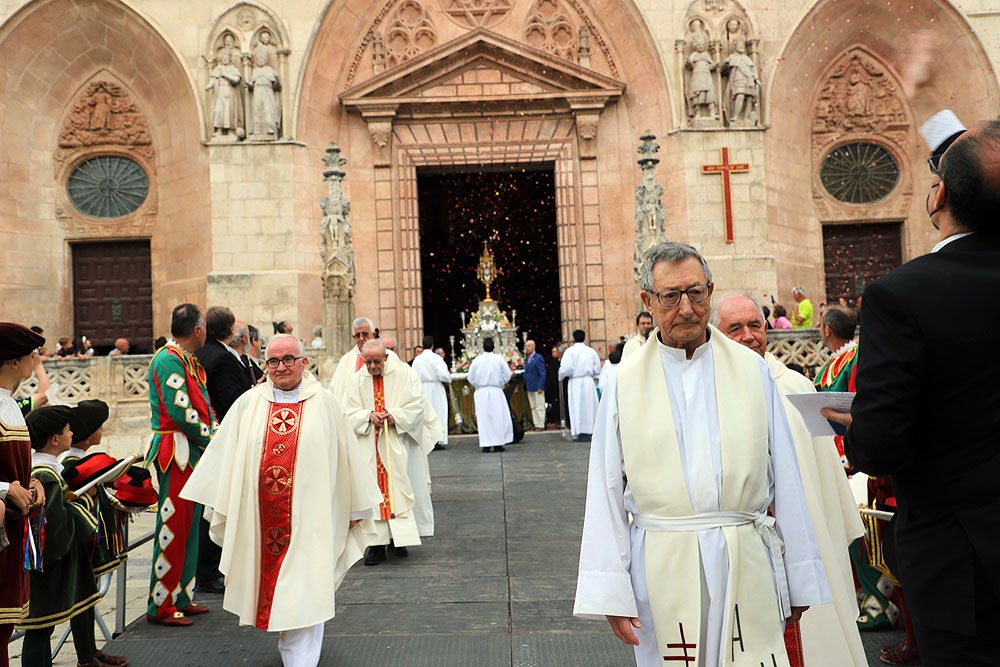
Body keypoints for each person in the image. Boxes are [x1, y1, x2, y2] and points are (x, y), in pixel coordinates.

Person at [574, 242, 829, 667]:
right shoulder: (624, 381)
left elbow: (785, 474)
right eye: (670, 297)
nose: (686, 309)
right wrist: (610, 589)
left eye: (695, 293)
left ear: (710, 291)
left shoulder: (752, 371)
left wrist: (798, 576)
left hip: (744, 557)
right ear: (648, 302)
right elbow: (604, 489)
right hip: (660, 564)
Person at [829, 111, 1000, 663]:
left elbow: (881, 446)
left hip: (958, 558)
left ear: (940, 196)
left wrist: (859, 428)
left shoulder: (903, 294)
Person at [180, 334, 381, 666]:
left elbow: (347, 457)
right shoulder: (249, 404)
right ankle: (291, 646)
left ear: (303, 362)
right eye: (273, 361)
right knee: (284, 591)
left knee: (308, 587)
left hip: (312, 518)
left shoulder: (325, 403)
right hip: (261, 522)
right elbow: (225, 456)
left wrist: (356, 506)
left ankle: (300, 658)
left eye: (289, 359)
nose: (281, 367)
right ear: (265, 366)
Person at [712, 293, 867, 666]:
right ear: (715, 335)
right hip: (739, 548)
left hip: (803, 540)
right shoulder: (708, 392)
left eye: (755, 325)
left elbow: (825, 476)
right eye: (735, 328)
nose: (749, 336)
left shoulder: (796, 386)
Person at [20, 405, 128, 667]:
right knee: (40, 628)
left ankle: (88, 656)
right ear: (55, 439)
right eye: (68, 430)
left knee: (46, 626)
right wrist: (86, 503)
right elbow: (56, 526)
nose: (72, 434)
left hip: (58, 563)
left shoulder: (50, 469)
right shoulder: (44, 475)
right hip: (47, 568)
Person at [144, 304, 216, 626]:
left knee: (188, 528)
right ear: (198, 330)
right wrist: (212, 438)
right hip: (175, 452)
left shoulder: (184, 359)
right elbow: (180, 410)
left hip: (190, 453)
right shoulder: (168, 359)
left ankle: (182, 597)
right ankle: (161, 605)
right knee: (173, 527)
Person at [342, 339, 425, 565]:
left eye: (376, 362)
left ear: (386, 358)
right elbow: (346, 411)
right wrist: (368, 416)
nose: (371, 367)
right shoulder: (358, 379)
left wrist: (394, 415)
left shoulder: (403, 375)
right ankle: (376, 545)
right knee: (372, 492)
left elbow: (416, 405)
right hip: (368, 444)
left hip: (394, 443)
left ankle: (399, 540)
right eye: (367, 362)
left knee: (398, 488)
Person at [194, 306, 253, 595]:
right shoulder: (221, 359)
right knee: (216, 504)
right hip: (224, 438)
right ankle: (208, 572)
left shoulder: (202, 354)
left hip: (209, 438)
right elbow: (235, 402)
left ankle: (210, 569)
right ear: (230, 330)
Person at [0, 323, 47, 663]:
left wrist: (33, 484)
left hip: (14, 528)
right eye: (31, 354)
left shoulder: (10, 403)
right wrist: (5, 488)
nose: (37, 359)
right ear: (12, 362)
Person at [467, 338, 513, 453]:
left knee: (484, 418)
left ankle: (486, 444)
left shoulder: (477, 360)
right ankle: (498, 444)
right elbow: (507, 374)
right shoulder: (499, 359)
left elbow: (470, 376)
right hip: (495, 390)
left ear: (483, 347)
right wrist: (501, 382)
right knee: (497, 417)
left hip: (482, 392)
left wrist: (477, 385)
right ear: (494, 346)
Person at [558, 329, 600, 441]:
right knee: (589, 406)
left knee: (576, 406)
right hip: (588, 381)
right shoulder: (591, 351)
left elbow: (566, 368)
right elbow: (597, 368)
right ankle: (590, 430)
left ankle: (578, 431)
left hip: (575, 381)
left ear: (574, 338)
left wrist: (561, 375)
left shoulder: (570, 352)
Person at [412, 335, 452, 449]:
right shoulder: (436, 358)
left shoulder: (417, 360)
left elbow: (413, 376)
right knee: (437, 413)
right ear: (432, 345)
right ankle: (437, 439)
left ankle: (427, 439)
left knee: (425, 415)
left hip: (422, 389)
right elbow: (443, 374)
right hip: (435, 389)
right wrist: (448, 378)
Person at [329, 317, 375, 401]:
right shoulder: (346, 360)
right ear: (354, 337)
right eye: (358, 335)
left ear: (373, 334)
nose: (361, 338)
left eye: (365, 334)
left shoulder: (387, 355)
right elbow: (336, 391)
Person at [205, 49, 244, 139]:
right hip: (220, 92)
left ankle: (230, 131)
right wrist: (208, 86)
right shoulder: (218, 69)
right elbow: (213, 79)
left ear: (229, 58)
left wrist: (226, 75)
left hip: (230, 92)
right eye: (223, 57)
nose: (225, 59)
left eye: (227, 57)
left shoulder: (233, 69)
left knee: (229, 112)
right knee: (219, 111)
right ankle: (218, 130)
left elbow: (236, 80)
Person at [521, 339, 546, 430]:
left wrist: (540, 386)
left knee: (539, 406)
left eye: (529, 346)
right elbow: (527, 372)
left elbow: (542, 373)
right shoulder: (526, 359)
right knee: (533, 407)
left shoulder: (538, 358)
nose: (527, 348)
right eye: (526, 346)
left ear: (533, 347)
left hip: (537, 386)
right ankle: (536, 424)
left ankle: (541, 424)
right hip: (529, 386)